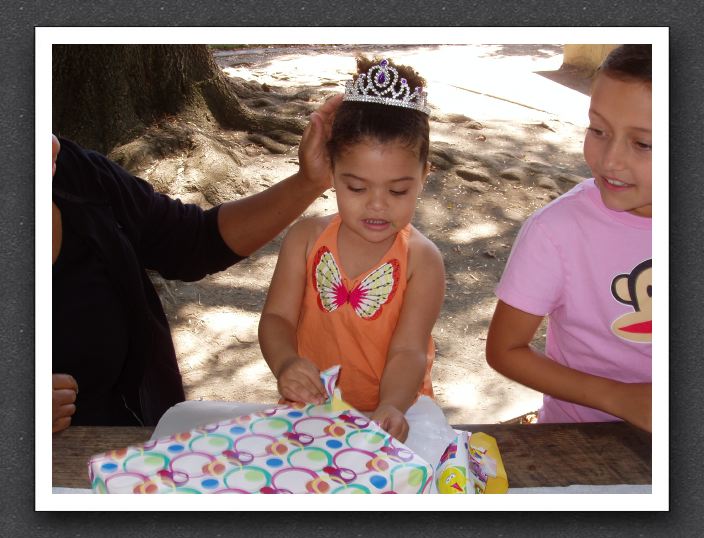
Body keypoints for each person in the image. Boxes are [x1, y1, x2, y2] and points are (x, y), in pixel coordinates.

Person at [51, 94, 343, 433]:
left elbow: (192, 241)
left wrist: (308, 181)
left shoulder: (78, 175)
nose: (52, 147)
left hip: (136, 443)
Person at [258, 57, 455, 455]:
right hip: (313, 409)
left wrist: (391, 405)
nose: (377, 206)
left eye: (398, 191)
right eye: (357, 188)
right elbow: (277, 318)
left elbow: (408, 349)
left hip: (397, 413)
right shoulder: (306, 239)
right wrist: (285, 364)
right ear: (331, 171)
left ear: (424, 175)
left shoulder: (422, 260)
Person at [485, 45, 653, 431]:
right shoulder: (556, 230)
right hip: (584, 437)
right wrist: (618, 397)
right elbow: (505, 350)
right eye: (598, 130)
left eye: (643, 144)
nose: (610, 160)